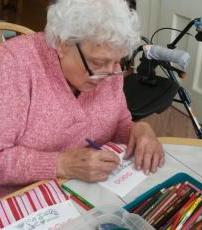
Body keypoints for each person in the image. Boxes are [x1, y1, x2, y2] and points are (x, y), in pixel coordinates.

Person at [0, 0, 164, 197]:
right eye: (98, 62)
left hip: (86, 192)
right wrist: (61, 164)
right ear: (62, 44)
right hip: (22, 202)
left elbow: (118, 122)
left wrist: (138, 129)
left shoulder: (110, 68)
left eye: (117, 61)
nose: (110, 74)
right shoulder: (12, 65)